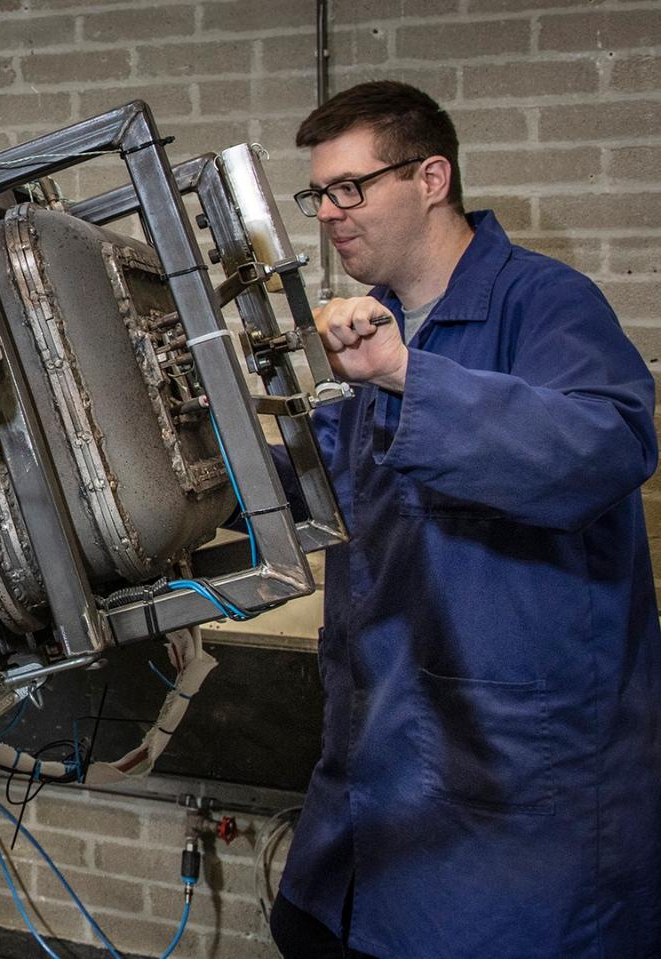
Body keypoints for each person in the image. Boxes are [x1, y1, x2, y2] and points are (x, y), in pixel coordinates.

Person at [270, 80, 661, 958]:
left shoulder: (545, 303)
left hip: (518, 780)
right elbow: (332, 489)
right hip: (382, 755)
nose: (330, 213)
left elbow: (604, 445)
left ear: (431, 177)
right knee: (304, 925)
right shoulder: (383, 333)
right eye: (318, 194)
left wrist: (408, 375)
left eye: (349, 187)